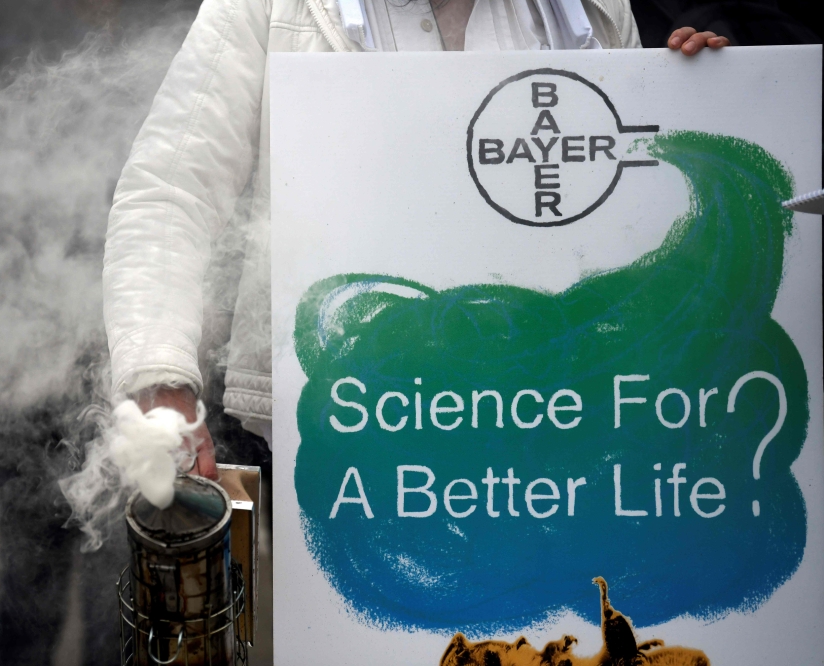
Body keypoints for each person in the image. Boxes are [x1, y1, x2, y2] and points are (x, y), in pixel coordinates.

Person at [103, 0, 728, 470]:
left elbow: (625, 224)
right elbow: (170, 191)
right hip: (325, 435)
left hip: (549, 437)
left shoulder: (593, 9)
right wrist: (162, 385)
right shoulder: (270, 6)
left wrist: (695, 95)